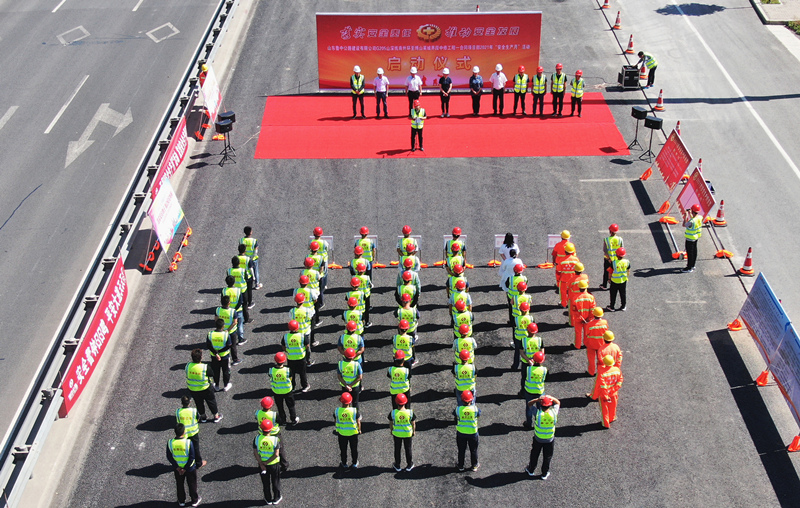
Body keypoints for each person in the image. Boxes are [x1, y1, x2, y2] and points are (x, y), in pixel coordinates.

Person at [525, 395, 560, 479]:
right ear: (550, 405)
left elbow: (529, 404)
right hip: (549, 439)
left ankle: (531, 470)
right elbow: (558, 402)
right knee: (547, 456)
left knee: (534, 454)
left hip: (538, 439)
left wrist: (537, 399)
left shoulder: (538, 414)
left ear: (541, 405)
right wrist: (551, 397)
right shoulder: (554, 413)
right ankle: (544, 473)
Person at [167, 423, 201, 507]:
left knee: (179, 484)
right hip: (189, 468)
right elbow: (192, 457)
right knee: (192, 484)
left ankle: (181, 501)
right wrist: (185, 468)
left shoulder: (170, 443)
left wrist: (177, 467)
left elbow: (169, 456)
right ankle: (194, 500)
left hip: (178, 469)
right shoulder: (188, 442)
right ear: (184, 432)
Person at [185, 349, 222, 423]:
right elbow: (212, 374)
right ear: (201, 357)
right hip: (205, 388)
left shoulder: (188, 365)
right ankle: (216, 416)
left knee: (198, 403)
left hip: (193, 389)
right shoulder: (204, 367)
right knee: (211, 401)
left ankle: (203, 417)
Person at [253, 419, 282, 505]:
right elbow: (276, 454)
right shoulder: (275, 440)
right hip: (274, 464)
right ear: (271, 429)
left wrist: (261, 463)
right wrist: (268, 462)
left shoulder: (257, 439)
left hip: (262, 465)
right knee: (275, 481)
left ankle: (268, 498)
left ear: (261, 428)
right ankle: (276, 498)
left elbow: (255, 452)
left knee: (265, 482)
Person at [256, 396, 288, 472]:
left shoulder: (257, 413)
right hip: (275, 434)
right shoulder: (274, 414)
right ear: (271, 405)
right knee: (280, 449)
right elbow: (280, 421)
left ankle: (263, 464)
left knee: (262, 449)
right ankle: (284, 465)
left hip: (262, 434)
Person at [588, 331, 622, 400]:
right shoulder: (616, 347)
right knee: (612, 383)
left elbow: (600, 361)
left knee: (598, 384)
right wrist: (617, 367)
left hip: (603, 370)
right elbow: (619, 357)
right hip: (614, 368)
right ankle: (610, 394)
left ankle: (594, 396)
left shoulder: (601, 349)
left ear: (604, 339)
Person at [176, 396, 206, 469]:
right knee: (196, 448)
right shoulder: (194, 410)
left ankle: (187, 463)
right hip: (193, 432)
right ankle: (198, 463)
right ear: (190, 402)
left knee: (187, 449)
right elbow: (198, 419)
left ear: (182, 403)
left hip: (184, 434)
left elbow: (178, 422)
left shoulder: (178, 411)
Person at [388, 393, 416, 471]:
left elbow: (391, 423)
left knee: (397, 449)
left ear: (396, 402)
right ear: (406, 402)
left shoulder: (393, 413)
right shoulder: (410, 412)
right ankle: (409, 464)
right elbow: (413, 423)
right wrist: (413, 431)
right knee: (408, 449)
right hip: (407, 433)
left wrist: (391, 430)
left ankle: (397, 465)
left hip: (397, 434)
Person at [269, 352, 299, 425]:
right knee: (291, 406)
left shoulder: (271, 370)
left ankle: (283, 420)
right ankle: (293, 419)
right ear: (284, 360)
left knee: (280, 407)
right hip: (287, 391)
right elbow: (291, 378)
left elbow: (271, 377)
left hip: (277, 391)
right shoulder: (287, 370)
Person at [454, 390, 481, 472]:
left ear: (462, 400)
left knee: (461, 450)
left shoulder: (458, 409)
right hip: (472, 433)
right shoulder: (475, 409)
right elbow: (478, 415)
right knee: (473, 450)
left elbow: (455, 417)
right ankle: (474, 465)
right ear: (471, 400)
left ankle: (461, 466)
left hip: (461, 433)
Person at [335, 392, 362, 469]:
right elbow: (358, 422)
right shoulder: (354, 411)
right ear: (350, 402)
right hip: (353, 433)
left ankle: (344, 463)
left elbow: (335, 420)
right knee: (354, 449)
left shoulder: (337, 411)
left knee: (343, 449)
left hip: (342, 433)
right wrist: (359, 430)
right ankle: (354, 463)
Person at [282, 320, 310, 392]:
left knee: (292, 374)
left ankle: (293, 387)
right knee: (302, 373)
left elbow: (283, 346)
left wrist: (288, 351)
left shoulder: (286, 337)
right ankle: (305, 386)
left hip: (291, 358)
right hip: (301, 357)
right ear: (297, 327)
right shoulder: (302, 336)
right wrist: (302, 350)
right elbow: (307, 345)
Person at [522, 351, 547, 429]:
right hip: (539, 391)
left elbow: (525, 377)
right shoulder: (544, 370)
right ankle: (538, 421)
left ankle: (528, 423)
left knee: (529, 407)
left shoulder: (528, 369)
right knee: (540, 408)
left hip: (529, 391)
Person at [597, 355, 623, 428]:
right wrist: (613, 390)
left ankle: (605, 424)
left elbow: (603, 386)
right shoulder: (617, 370)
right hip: (614, 393)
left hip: (604, 394)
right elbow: (620, 381)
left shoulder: (601, 372)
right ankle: (612, 418)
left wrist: (606, 395)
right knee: (613, 406)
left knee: (604, 409)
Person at [207, 319, 232, 392]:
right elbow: (229, 345)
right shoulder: (226, 334)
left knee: (216, 371)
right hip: (225, 356)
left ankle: (217, 385)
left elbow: (208, 345)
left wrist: (216, 353)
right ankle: (226, 385)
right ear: (223, 326)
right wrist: (219, 351)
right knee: (226, 371)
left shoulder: (210, 334)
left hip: (214, 357)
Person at [215, 295, 241, 366]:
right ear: (229, 303)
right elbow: (235, 322)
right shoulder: (233, 311)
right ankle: (235, 359)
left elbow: (216, 319)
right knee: (233, 346)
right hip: (231, 332)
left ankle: (219, 358)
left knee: (221, 345)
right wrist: (228, 330)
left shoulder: (218, 310)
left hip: (221, 331)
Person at [571, 281, 596, 349]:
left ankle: (577, 345)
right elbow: (593, 309)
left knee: (578, 332)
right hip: (588, 319)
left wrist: (580, 318)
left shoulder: (575, 298)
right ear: (586, 288)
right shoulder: (591, 297)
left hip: (578, 319)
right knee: (587, 332)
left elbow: (574, 310)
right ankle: (586, 344)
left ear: (579, 288)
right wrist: (589, 318)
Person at [584, 307, 608, 376]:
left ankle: (591, 372)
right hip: (601, 344)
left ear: (593, 314)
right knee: (601, 359)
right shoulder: (604, 322)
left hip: (591, 344)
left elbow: (587, 333)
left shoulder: (590, 324)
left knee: (591, 359)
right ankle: (600, 372)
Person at [600, 224, 624, 290]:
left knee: (606, 272)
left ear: (610, 231)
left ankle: (604, 285)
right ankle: (613, 285)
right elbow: (622, 249)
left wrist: (609, 259)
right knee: (614, 272)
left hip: (608, 259)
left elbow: (605, 250)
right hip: (617, 259)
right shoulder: (620, 239)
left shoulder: (607, 239)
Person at [556, 243, 579, 308]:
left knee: (563, 292)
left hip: (564, 279)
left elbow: (559, 270)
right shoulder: (576, 259)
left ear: (565, 251)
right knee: (572, 292)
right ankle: (571, 303)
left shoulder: (562, 260)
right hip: (573, 279)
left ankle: (563, 304)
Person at [608, 247, 630, 312]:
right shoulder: (627, 262)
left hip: (614, 281)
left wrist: (609, 279)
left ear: (617, 255)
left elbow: (610, 272)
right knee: (623, 294)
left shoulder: (614, 263)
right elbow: (628, 271)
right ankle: (623, 306)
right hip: (623, 281)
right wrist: (626, 277)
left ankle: (612, 307)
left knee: (613, 294)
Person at [682, 204, 702, 273]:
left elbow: (684, 224)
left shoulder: (691, 222)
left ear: (693, 211)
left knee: (690, 253)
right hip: (695, 237)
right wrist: (690, 214)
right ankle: (693, 265)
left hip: (690, 239)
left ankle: (689, 267)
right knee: (694, 252)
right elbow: (694, 219)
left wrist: (685, 216)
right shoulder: (699, 218)